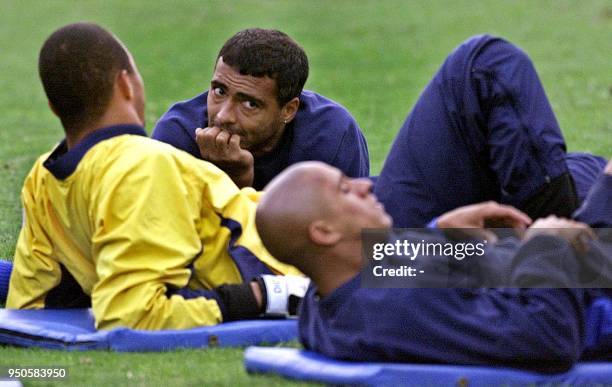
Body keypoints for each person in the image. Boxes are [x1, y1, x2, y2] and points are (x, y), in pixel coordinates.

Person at [6, 23, 308, 330]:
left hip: (316, 243)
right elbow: (134, 315)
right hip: (302, 263)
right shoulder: (143, 165)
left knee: (361, 235)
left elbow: (30, 308)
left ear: (54, 108)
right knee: (360, 237)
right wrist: (263, 296)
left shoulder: (44, 174)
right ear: (126, 85)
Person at [255, 160, 612, 372]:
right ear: (324, 232)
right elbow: (548, 339)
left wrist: (440, 233)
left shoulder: (329, 298)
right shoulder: (394, 307)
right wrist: (549, 249)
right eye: (346, 189)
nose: (366, 185)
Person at [374, 34, 608, 228]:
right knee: (489, 63)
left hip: (417, 246)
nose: (361, 185)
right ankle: (566, 253)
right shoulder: (391, 266)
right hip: (396, 256)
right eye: (344, 187)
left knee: (587, 168)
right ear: (333, 235)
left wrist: (437, 231)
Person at [151, 28, 369, 190]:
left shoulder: (331, 135)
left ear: (289, 110)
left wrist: (240, 182)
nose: (223, 116)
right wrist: (228, 180)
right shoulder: (177, 137)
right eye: (219, 91)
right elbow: (170, 241)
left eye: (250, 104)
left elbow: (347, 239)